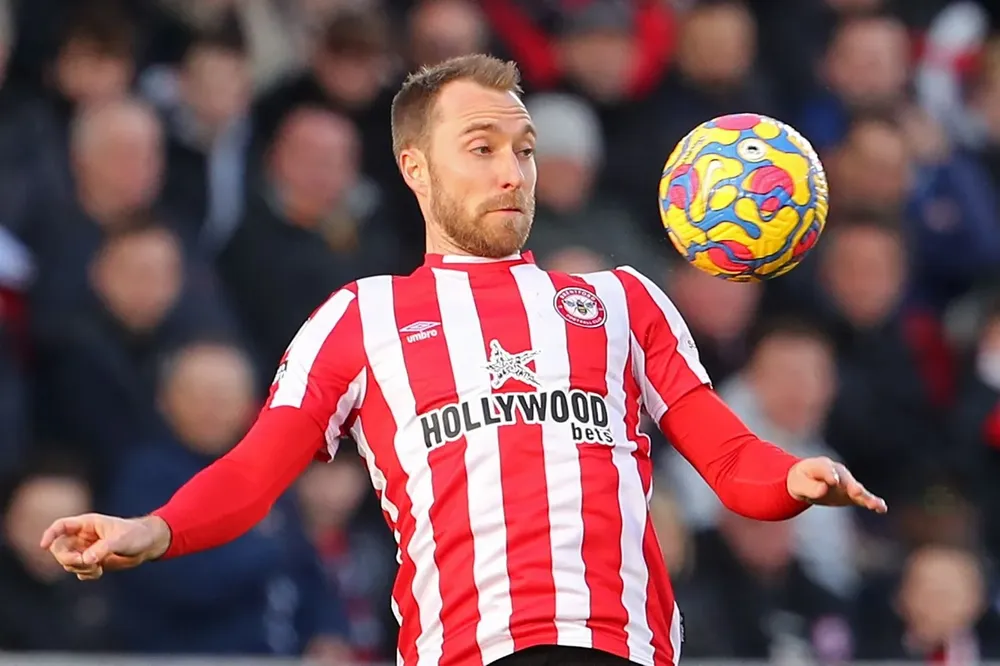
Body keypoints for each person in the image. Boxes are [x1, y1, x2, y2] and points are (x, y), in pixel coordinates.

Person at [41, 55, 886, 666]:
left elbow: (730, 458)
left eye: (522, 149)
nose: (514, 171)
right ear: (414, 166)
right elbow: (255, 473)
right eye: (481, 148)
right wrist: (154, 529)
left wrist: (792, 480)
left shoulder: (622, 301)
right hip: (467, 651)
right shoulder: (360, 318)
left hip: (620, 646)